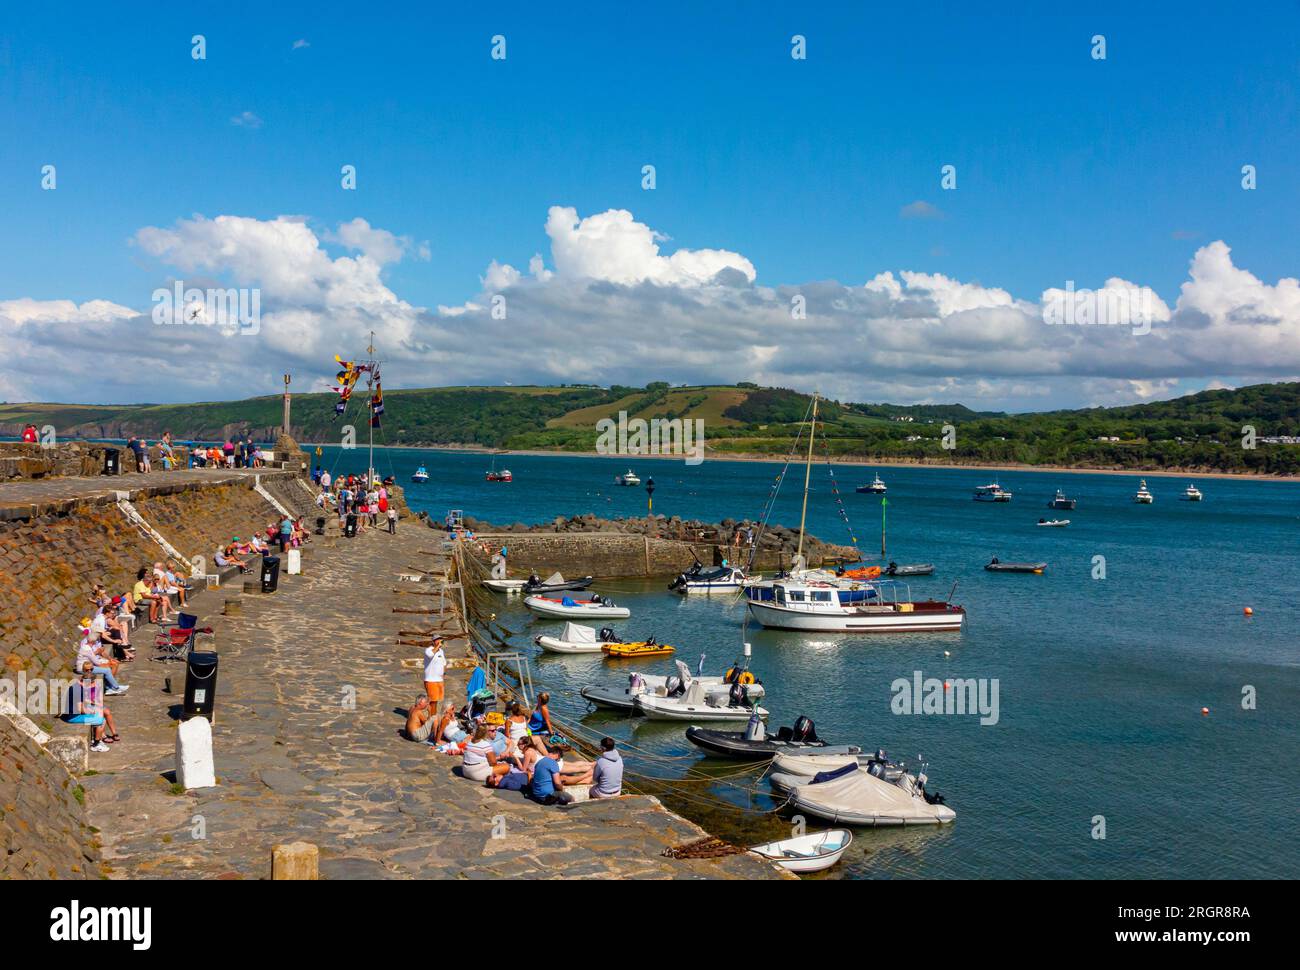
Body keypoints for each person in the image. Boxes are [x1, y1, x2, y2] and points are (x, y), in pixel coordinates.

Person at [74, 661, 120, 751]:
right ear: (83, 670)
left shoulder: (93, 680)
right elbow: (82, 699)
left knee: (107, 711)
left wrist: (97, 702)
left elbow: (98, 696)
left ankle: (114, 733)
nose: (90, 671)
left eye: (92, 669)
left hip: (94, 703)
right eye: (87, 670)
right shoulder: (81, 682)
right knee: (101, 713)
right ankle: (102, 736)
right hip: (85, 705)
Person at [422, 637, 446, 704]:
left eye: (440, 639)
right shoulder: (428, 650)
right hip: (431, 680)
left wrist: (444, 674)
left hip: (439, 680)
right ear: (433, 641)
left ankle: (434, 714)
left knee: (437, 701)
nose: (439, 641)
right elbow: (430, 655)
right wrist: (438, 646)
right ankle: (431, 714)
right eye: (438, 640)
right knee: (432, 701)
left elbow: (444, 663)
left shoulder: (441, 651)